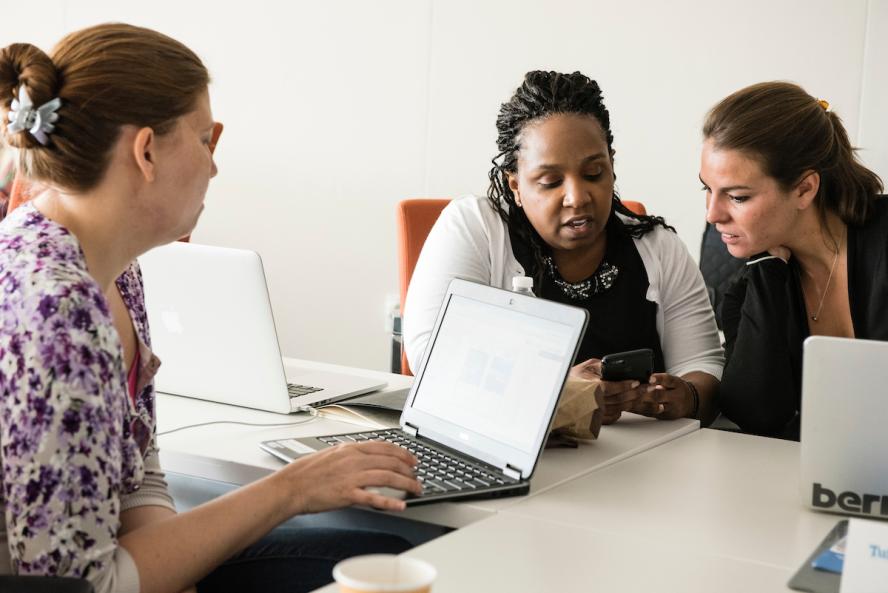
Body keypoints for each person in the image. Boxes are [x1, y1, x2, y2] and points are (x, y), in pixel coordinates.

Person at [0, 24, 422, 593]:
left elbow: (139, 477)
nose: (214, 167)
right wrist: (292, 489)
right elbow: (83, 586)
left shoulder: (115, 269)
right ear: (145, 151)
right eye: (205, 140)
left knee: (384, 552)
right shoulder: (60, 315)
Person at [403, 71, 724, 426]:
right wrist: (556, 391)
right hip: (510, 449)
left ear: (612, 167)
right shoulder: (476, 227)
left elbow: (705, 365)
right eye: (551, 182)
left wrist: (686, 397)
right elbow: (432, 357)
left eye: (594, 174)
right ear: (516, 186)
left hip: (641, 462)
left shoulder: (657, 246)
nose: (577, 197)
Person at [701, 81, 887, 441]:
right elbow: (756, 413)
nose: (712, 214)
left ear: (805, 189)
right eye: (707, 189)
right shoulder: (753, 281)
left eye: (737, 196)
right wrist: (766, 270)